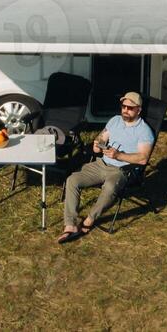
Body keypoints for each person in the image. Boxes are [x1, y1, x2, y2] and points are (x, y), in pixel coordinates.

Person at [58, 91, 153, 243]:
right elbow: (101, 137)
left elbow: (143, 158)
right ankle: (70, 224)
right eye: (123, 106)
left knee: (109, 187)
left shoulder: (144, 131)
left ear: (139, 110)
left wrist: (119, 155)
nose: (125, 110)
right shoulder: (115, 120)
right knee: (73, 180)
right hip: (101, 164)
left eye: (130, 107)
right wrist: (97, 144)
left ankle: (89, 220)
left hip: (122, 170)